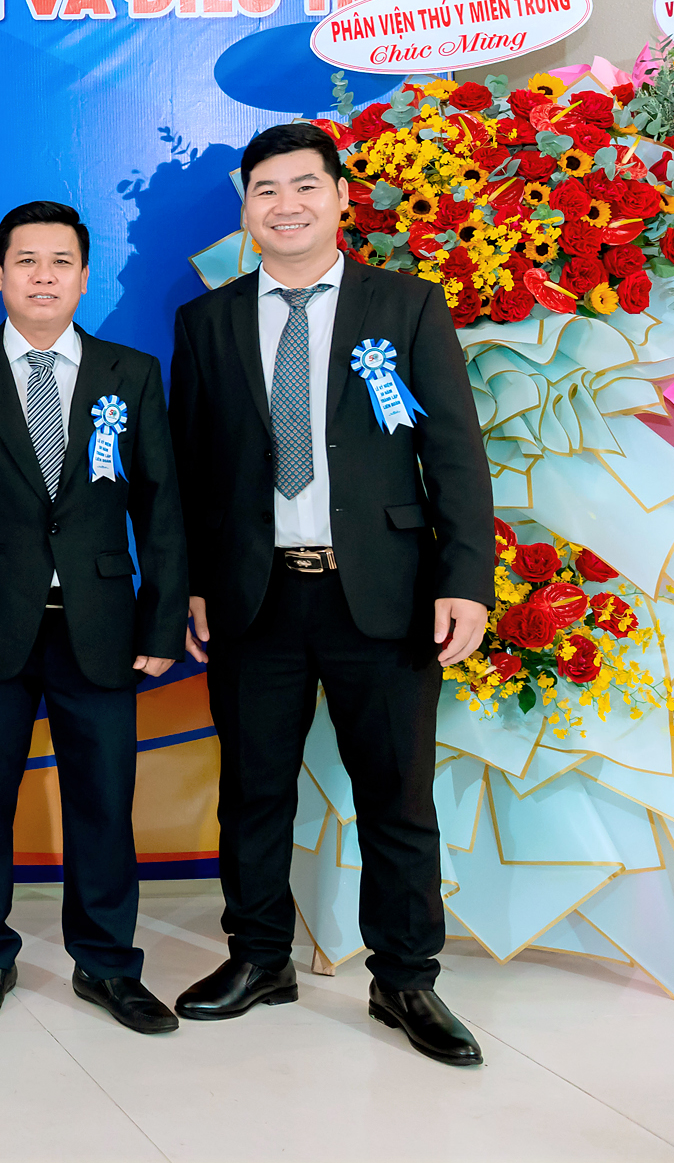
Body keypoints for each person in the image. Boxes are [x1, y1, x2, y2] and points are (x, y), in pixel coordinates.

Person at [169, 121, 492, 1067]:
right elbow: (191, 469)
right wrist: (194, 585)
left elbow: (454, 453)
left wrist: (465, 580)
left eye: (305, 186)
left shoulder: (407, 304)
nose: (287, 206)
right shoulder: (208, 321)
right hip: (255, 596)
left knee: (398, 797)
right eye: (265, 190)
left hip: (383, 595)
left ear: (342, 197)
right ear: (246, 208)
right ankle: (258, 956)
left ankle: (406, 978)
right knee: (253, 793)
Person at [0, 200, 186, 1033]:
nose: (43, 276)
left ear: (84, 276)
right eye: (26, 261)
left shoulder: (130, 372)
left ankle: (107, 964)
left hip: (100, 626)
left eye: (61, 261)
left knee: (104, 803)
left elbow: (161, 506)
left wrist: (161, 622)